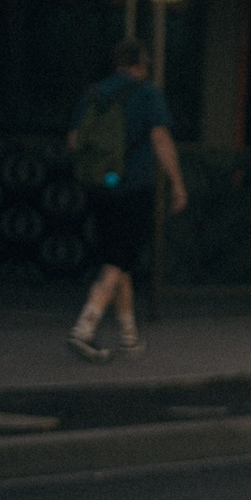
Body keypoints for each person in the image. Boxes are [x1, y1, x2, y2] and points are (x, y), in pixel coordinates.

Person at [66, 40, 186, 362]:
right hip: (134, 188)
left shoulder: (94, 94)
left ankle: (129, 337)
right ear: (142, 65)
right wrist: (177, 183)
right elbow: (160, 138)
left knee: (118, 259)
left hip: (98, 186)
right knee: (117, 261)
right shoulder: (148, 93)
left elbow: (74, 140)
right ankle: (84, 328)